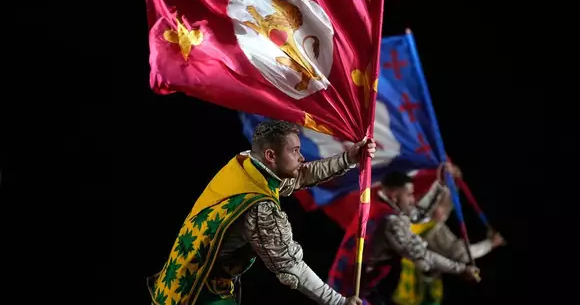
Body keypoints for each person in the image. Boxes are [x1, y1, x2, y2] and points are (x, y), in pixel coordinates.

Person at [147, 120, 376, 305]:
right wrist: (339, 302)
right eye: (295, 151)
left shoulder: (246, 164)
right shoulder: (260, 208)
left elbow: (301, 175)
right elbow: (290, 267)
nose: (301, 157)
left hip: (176, 278)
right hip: (198, 293)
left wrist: (348, 158)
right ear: (271, 156)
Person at [327, 170, 479, 305]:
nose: (412, 199)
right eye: (409, 194)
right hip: (348, 295)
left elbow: (417, 213)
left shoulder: (378, 207)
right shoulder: (390, 222)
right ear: (394, 195)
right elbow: (423, 256)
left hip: (349, 288)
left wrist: (439, 184)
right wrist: (462, 269)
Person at [392, 164, 506, 305]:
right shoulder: (424, 221)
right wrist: (490, 244)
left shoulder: (429, 229)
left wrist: (490, 244)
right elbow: (460, 253)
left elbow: (459, 253)